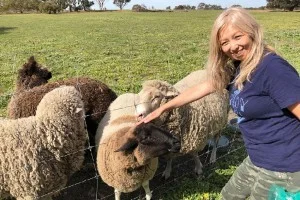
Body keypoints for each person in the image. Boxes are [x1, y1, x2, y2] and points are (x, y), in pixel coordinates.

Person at [139, 7, 300, 200]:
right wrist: (165, 107)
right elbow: (206, 86)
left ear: (252, 31)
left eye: (238, 36)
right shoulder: (240, 66)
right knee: (227, 196)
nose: (233, 46)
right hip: (257, 159)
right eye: (225, 42)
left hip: (284, 167)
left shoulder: (273, 69)